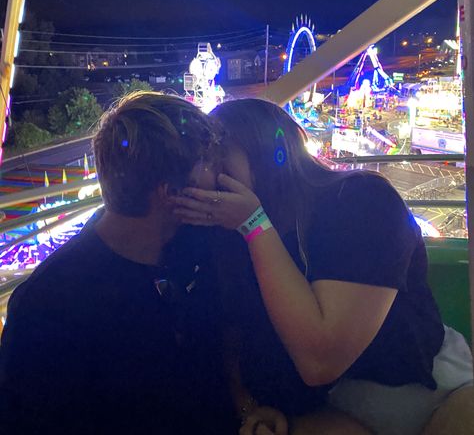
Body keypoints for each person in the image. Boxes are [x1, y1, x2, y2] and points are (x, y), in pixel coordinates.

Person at [172, 98, 474, 435]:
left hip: (429, 398)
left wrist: (255, 225)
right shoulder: (228, 236)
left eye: (218, 156)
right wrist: (251, 409)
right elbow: (228, 338)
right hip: (321, 412)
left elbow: (321, 360)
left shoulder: (361, 201)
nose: (208, 174)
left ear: (261, 148)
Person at [0, 92, 235, 435]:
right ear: (172, 194)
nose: (220, 181)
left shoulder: (192, 247)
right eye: (211, 168)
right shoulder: (48, 307)